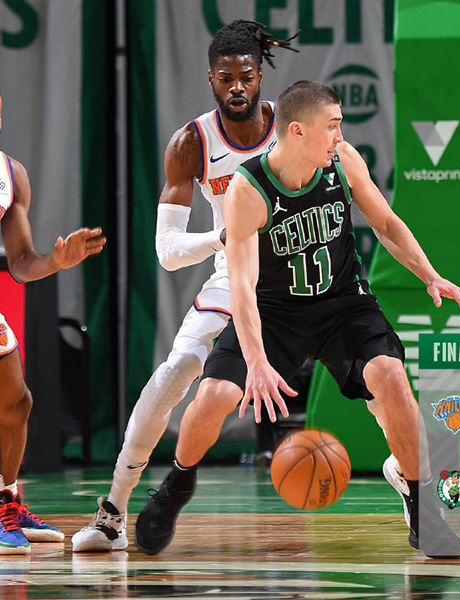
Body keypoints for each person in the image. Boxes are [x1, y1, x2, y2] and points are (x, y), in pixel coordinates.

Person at [134, 80, 460, 558]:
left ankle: (423, 506)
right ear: (297, 131)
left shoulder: (343, 161)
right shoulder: (247, 189)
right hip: (274, 312)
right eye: (332, 126)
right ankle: (177, 484)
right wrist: (256, 361)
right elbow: (241, 286)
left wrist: (431, 275)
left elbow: (386, 223)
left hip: (342, 304)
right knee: (214, 396)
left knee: (393, 379)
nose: (341, 135)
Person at [71, 20, 299, 552]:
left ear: (261, 77)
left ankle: (408, 481)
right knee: (175, 373)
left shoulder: (292, 127)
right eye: (225, 77)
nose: (237, 87)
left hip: (297, 281)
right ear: (210, 79)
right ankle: (113, 511)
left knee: (372, 371)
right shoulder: (191, 143)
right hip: (233, 277)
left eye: (246, 76)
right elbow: (168, 252)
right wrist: (223, 235)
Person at [0, 92, 106, 554]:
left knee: (16, 402)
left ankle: (5, 503)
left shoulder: (10, 174)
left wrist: (56, 262)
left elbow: (21, 262)